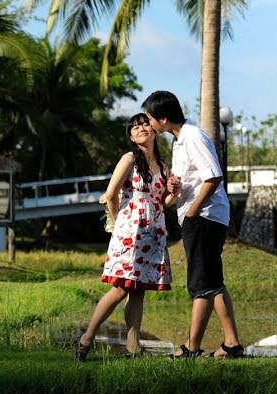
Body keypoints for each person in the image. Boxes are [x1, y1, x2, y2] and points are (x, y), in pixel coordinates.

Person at [141, 90, 244, 359]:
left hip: (204, 218)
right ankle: (232, 344)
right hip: (200, 216)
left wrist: (192, 214)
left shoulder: (193, 136)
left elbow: (214, 177)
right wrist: (177, 187)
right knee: (213, 281)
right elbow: (195, 181)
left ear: (162, 119)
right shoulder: (179, 141)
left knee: (200, 286)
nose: (149, 123)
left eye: (150, 118)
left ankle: (191, 348)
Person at [74, 113, 174, 361]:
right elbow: (110, 194)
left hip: (154, 232)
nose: (141, 128)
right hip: (130, 231)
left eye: (144, 124)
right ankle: (87, 338)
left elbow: (164, 202)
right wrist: (120, 223)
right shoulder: (129, 159)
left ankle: (133, 345)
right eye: (135, 127)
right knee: (120, 288)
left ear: (154, 131)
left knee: (139, 291)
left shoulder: (163, 166)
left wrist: (175, 192)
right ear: (130, 136)